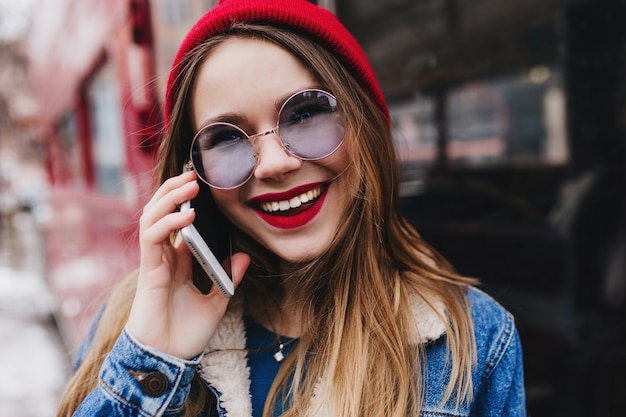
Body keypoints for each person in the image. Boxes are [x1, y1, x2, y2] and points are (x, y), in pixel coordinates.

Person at [56, 0, 527, 416]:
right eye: (227, 139)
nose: (276, 164)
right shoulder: (134, 324)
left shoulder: (475, 340)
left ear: (364, 125)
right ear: (191, 176)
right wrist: (153, 359)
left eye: (304, 114)